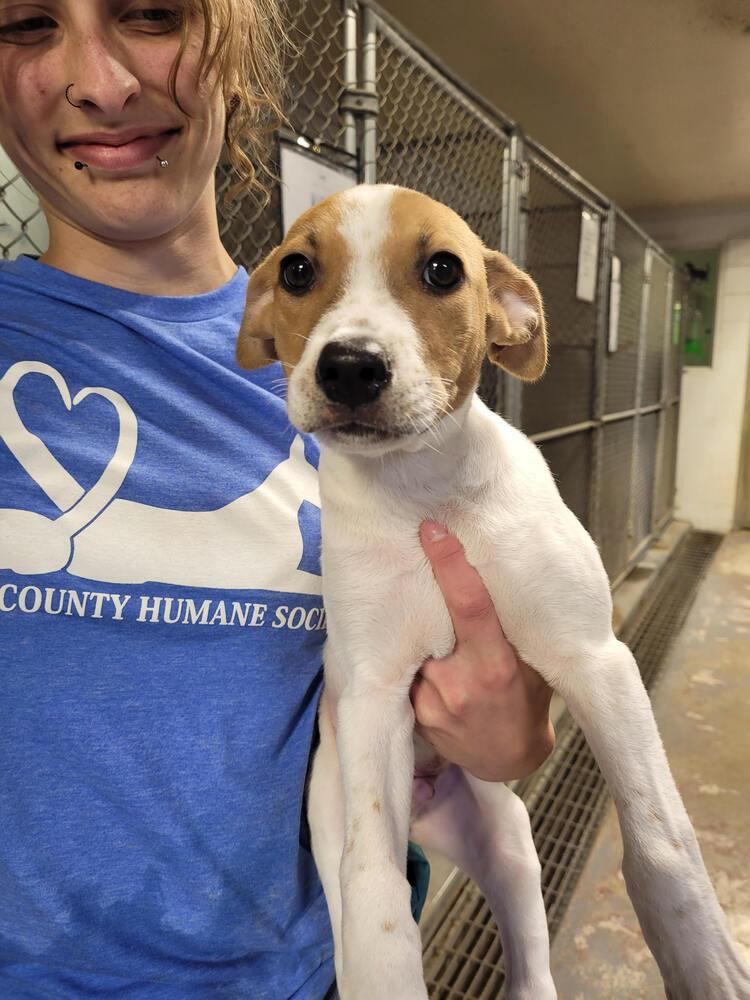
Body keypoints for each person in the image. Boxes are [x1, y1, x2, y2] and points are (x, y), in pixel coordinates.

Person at [0, 1, 554, 996]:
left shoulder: (355, 387)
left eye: (150, 13)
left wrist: (503, 727)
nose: (103, 82)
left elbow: (442, 711)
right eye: (25, 23)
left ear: (237, 42)